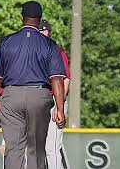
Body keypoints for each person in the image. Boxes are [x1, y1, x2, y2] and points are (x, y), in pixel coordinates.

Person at [0, 1, 66, 169]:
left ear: (21, 18)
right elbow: (57, 80)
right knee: (36, 149)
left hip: (11, 96)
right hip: (39, 96)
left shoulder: (6, 42)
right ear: (40, 19)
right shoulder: (49, 45)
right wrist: (60, 108)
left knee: (13, 149)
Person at [39, 20, 71, 169]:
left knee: (52, 148)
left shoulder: (57, 51)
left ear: (49, 33)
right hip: (41, 100)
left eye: (44, 31)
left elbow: (66, 80)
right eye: (40, 32)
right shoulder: (36, 53)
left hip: (55, 100)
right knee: (42, 148)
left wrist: (59, 106)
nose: (42, 34)